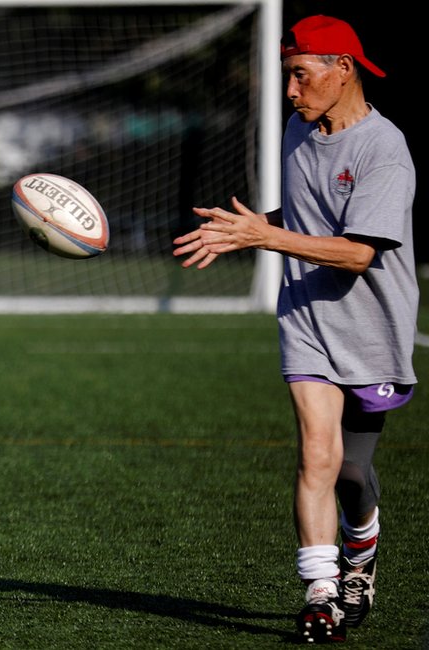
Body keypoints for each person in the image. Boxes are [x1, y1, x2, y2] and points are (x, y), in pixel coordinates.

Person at [172, 15, 417, 644]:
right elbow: (307, 217)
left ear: (344, 69)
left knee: (352, 474)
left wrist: (263, 235)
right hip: (306, 317)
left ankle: (362, 546)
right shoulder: (297, 129)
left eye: (301, 75)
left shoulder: (384, 150)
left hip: (373, 328)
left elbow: (358, 252)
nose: (290, 91)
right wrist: (244, 231)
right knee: (316, 453)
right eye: (288, 76)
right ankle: (321, 594)